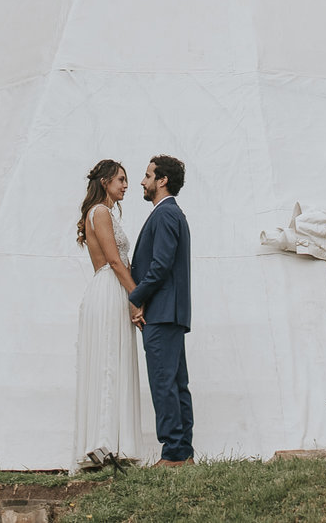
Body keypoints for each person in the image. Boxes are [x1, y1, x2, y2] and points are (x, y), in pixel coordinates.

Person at [72, 160, 158, 469]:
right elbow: (115, 261)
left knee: (113, 361)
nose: (125, 185)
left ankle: (111, 444)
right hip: (110, 287)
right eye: (120, 179)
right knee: (109, 361)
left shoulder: (98, 213)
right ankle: (103, 444)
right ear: (106, 180)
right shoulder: (101, 212)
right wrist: (136, 298)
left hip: (108, 287)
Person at [125, 154, 193, 465]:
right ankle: (183, 453)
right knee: (177, 383)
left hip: (162, 312)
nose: (142, 181)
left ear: (161, 180)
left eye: (147, 175)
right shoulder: (172, 214)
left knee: (164, 382)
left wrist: (135, 298)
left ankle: (174, 454)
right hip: (172, 312)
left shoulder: (165, 215)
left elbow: (161, 264)